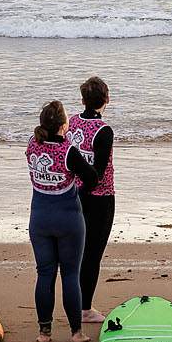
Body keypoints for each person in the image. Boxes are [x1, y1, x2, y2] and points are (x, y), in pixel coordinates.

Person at [26, 100, 97, 342]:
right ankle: (76, 332)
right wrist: (77, 188)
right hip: (68, 218)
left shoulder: (32, 145)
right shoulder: (68, 150)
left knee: (44, 273)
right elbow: (92, 177)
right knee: (70, 274)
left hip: (39, 217)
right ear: (63, 125)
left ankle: (44, 332)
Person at [66, 76, 115, 325]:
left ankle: (77, 303)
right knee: (92, 255)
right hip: (99, 199)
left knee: (78, 253)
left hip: (74, 193)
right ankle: (85, 309)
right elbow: (99, 172)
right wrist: (84, 193)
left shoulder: (72, 122)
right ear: (106, 100)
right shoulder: (103, 131)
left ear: (83, 99)